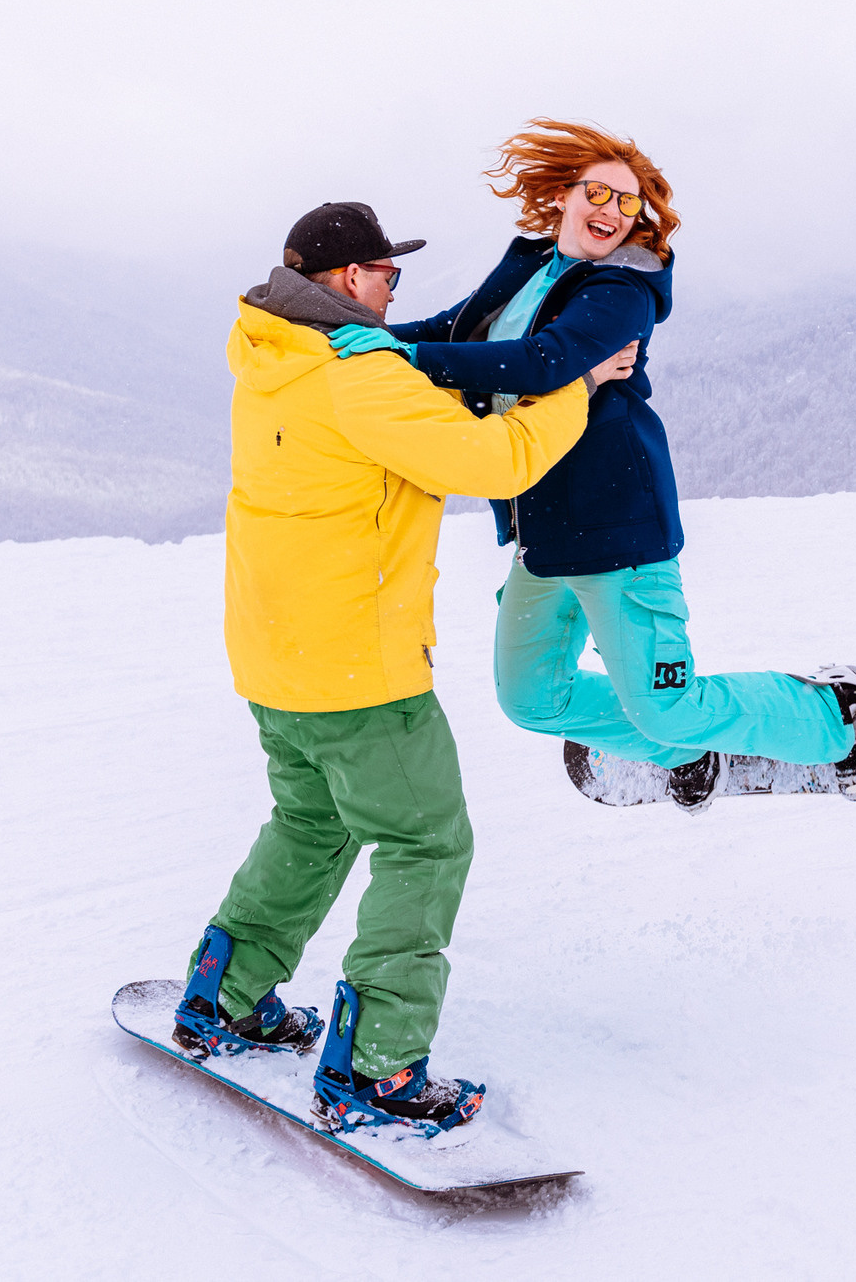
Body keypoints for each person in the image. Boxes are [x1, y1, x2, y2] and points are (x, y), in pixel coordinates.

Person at [171, 200, 635, 1138]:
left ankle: (224, 996)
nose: (393, 287)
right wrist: (577, 384)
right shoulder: (359, 378)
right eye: (387, 272)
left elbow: (395, 425)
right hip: (360, 670)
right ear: (348, 280)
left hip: (273, 655)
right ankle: (376, 1066)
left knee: (314, 820)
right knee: (426, 841)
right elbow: (499, 460)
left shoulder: (269, 359)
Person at [326, 119, 856, 815]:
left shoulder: (623, 290)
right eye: (599, 192)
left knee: (668, 704)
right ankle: (687, 747)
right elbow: (453, 329)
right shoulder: (535, 268)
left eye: (628, 204)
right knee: (530, 696)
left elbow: (547, 361)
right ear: (566, 193)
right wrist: (361, 338)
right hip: (547, 537)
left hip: (619, 528)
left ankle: (845, 714)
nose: (611, 212)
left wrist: (408, 361)